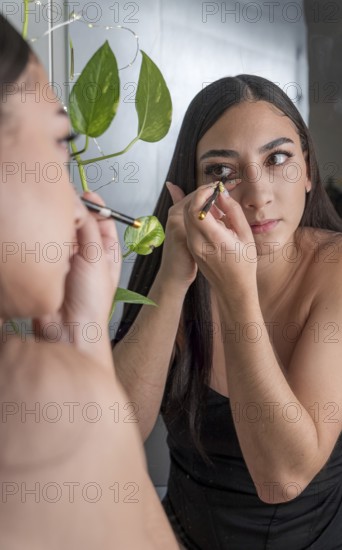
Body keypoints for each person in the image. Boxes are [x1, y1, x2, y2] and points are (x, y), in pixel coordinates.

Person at [113, 75, 342, 549]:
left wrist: (238, 296)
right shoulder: (171, 258)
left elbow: (281, 479)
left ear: (308, 172)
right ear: (191, 188)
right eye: (221, 172)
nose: (257, 194)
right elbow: (113, 432)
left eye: (277, 158)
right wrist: (173, 279)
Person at [0, 13, 180, 550]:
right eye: (61, 140)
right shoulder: (30, 396)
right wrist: (84, 368)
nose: (77, 197)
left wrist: (83, 349)